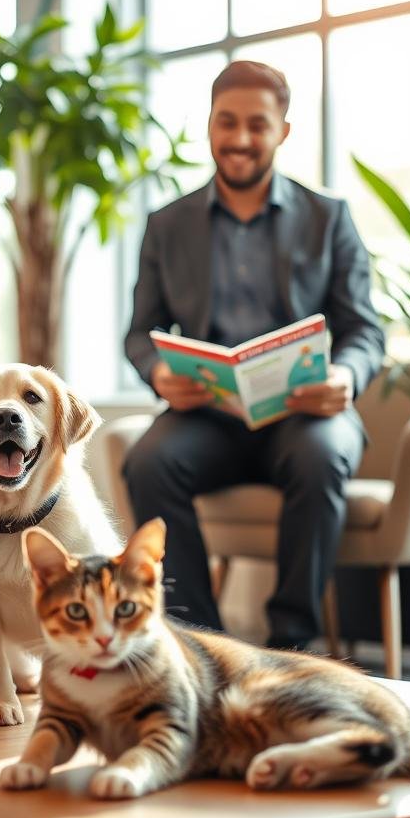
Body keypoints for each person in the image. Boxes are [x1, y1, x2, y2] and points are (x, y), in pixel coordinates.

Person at [123, 60, 385, 651]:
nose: (240, 139)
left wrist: (345, 374)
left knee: (321, 458)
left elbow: (365, 329)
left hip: (305, 417)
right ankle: (204, 644)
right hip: (209, 420)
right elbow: (139, 333)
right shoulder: (167, 225)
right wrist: (160, 373)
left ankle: (293, 646)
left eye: (257, 125)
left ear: (283, 131)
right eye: (227, 122)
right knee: (148, 462)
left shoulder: (328, 218)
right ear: (210, 125)